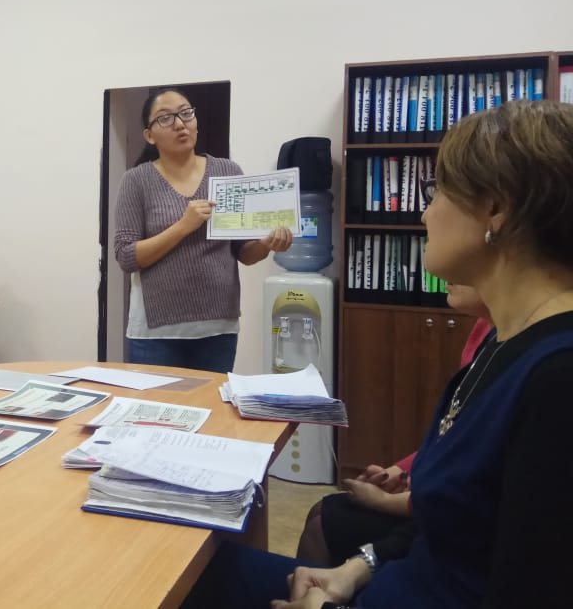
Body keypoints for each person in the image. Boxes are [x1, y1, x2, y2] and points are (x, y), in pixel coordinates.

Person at [186, 99, 573, 608]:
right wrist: (359, 569)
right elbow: (450, 524)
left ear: (495, 210)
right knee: (194, 572)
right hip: (387, 584)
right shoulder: (501, 343)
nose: (425, 212)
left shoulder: (557, 381)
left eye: (437, 193)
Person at [296, 284, 494, 567]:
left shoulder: (518, 356)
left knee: (323, 526)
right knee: (321, 510)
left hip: (453, 525)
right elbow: (448, 437)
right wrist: (398, 472)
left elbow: (467, 487)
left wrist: (384, 502)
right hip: (431, 494)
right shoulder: (486, 329)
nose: (441, 278)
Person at [114, 87, 293, 373]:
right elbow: (126, 256)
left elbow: (244, 253)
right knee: (155, 403)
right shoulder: (136, 180)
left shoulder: (227, 172)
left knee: (212, 403)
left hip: (217, 328)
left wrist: (267, 244)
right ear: (149, 135)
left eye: (186, 113)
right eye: (165, 118)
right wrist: (183, 226)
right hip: (156, 332)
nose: (179, 124)